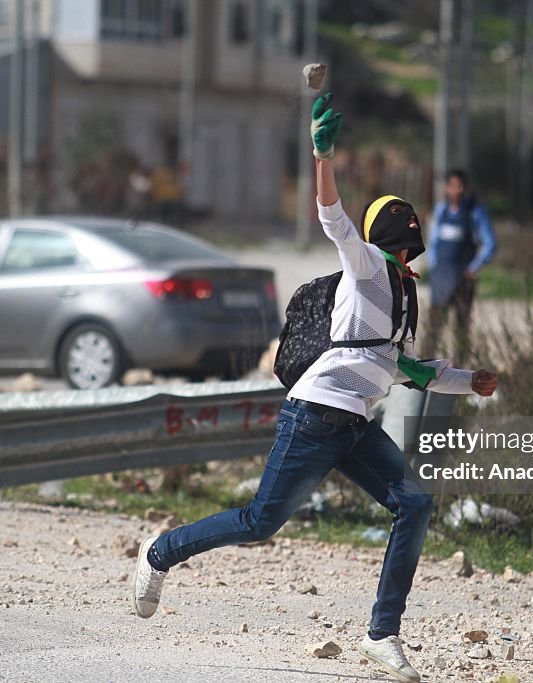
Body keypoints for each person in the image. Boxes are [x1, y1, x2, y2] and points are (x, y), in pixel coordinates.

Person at [133, 94, 498, 683]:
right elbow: (332, 217)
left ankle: (382, 635)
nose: (407, 253)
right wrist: (321, 155)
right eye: (401, 243)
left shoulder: (405, 298)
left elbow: (411, 369)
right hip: (313, 415)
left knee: (415, 502)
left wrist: (469, 381)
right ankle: (160, 553)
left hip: (354, 427)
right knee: (260, 522)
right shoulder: (365, 268)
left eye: (410, 245)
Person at [421, 170, 496, 361]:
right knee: (434, 324)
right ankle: (425, 365)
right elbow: (434, 242)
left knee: (461, 326)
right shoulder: (441, 211)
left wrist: (473, 268)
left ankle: (459, 368)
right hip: (442, 276)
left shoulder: (475, 212)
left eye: (460, 186)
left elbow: (489, 244)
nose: (457, 190)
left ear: (466, 188)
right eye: (453, 186)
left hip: (463, 277)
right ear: (447, 188)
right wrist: (433, 266)